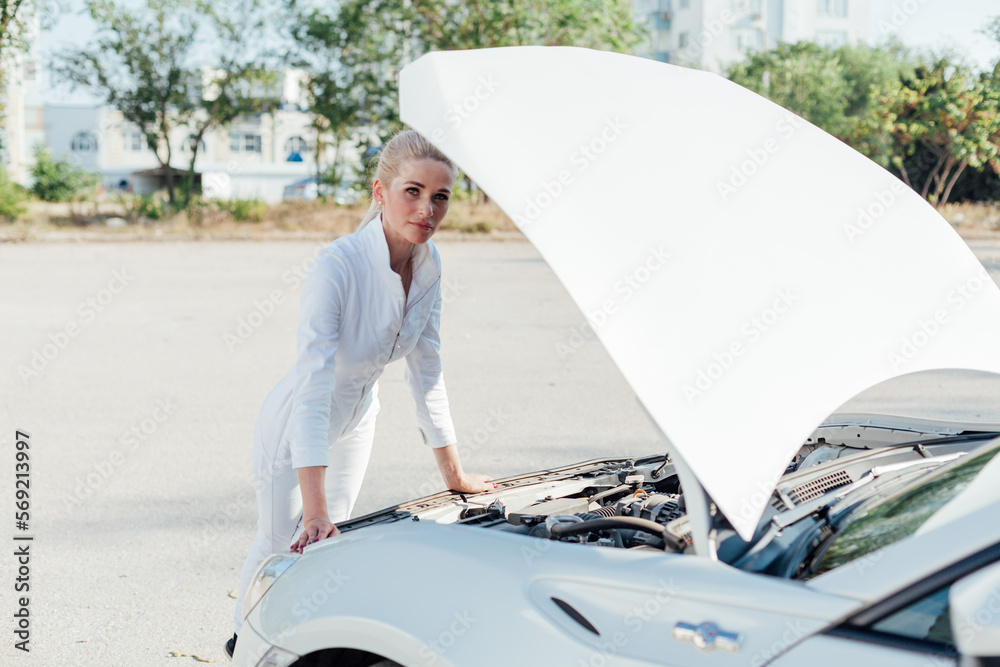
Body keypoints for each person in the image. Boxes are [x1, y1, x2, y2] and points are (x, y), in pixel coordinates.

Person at [227, 130, 493, 658]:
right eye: (412, 191)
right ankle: (242, 649)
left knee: (327, 549)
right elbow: (313, 387)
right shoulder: (338, 265)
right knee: (280, 546)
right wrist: (315, 506)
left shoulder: (430, 266)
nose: (427, 208)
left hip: (357, 419)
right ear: (380, 191)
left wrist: (454, 477)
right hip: (296, 424)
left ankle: (304, 652)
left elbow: (427, 372)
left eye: (440, 196)